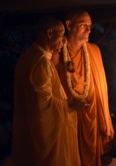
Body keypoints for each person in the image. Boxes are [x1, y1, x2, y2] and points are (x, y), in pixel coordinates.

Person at [12, 17, 82, 166]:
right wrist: (69, 104)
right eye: (62, 35)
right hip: (45, 145)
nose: (64, 41)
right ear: (50, 34)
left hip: (28, 136)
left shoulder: (27, 58)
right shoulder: (41, 62)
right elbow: (42, 105)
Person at [52, 10, 114, 166]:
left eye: (90, 26)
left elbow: (102, 90)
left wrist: (107, 120)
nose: (88, 30)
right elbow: (51, 90)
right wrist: (69, 102)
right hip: (68, 118)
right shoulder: (57, 52)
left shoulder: (94, 51)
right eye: (83, 25)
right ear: (69, 25)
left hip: (92, 118)